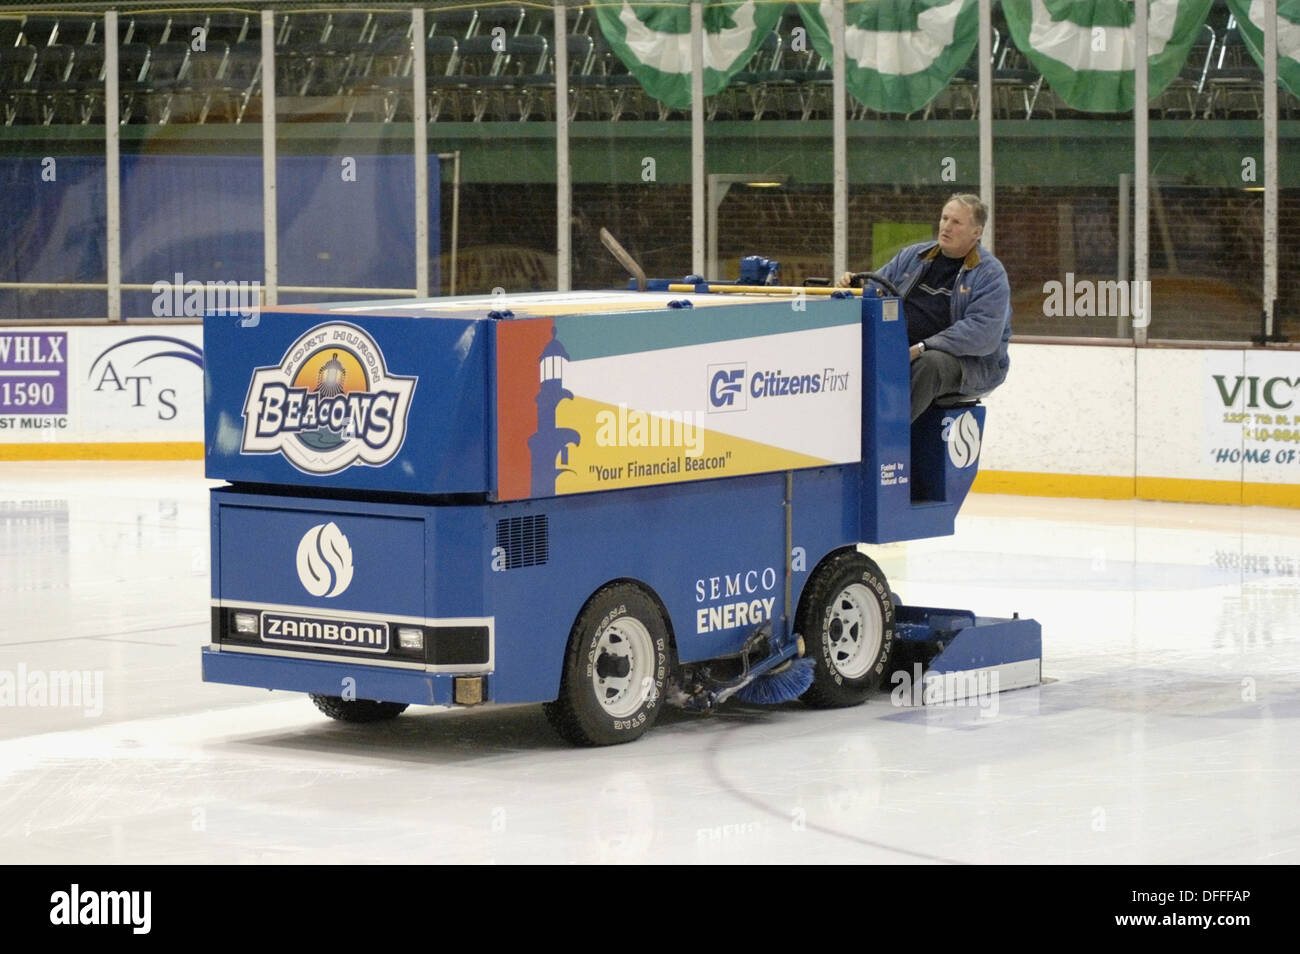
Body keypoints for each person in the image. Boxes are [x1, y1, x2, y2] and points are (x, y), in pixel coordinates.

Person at [837, 194, 1011, 423]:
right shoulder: (914, 256)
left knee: (930, 365)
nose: (946, 227)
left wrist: (922, 347)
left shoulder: (990, 274)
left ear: (976, 233)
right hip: (902, 347)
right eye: (944, 218)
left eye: (956, 222)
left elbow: (982, 334)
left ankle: (887, 433)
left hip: (966, 364)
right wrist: (856, 288)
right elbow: (878, 290)